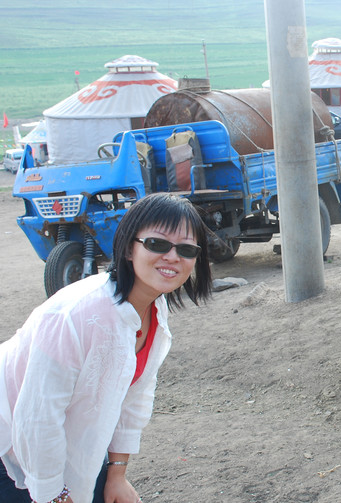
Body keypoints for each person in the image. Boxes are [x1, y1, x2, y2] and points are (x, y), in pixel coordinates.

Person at [0, 193, 212, 503]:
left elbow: (134, 397)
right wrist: (55, 495)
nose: (172, 257)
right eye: (157, 244)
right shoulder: (77, 315)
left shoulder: (155, 308)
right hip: (10, 440)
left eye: (186, 249)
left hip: (62, 435)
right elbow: (38, 417)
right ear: (128, 248)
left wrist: (117, 474)